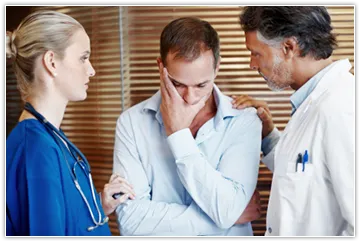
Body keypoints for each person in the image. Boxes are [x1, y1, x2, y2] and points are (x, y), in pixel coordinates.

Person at [112, 17, 262, 236]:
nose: (190, 98)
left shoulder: (245, 120)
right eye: (177, 84)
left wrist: (178, 136)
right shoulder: (131, 123)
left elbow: (227, 210)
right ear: (160, 67)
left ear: (216, 68)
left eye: (201, 85)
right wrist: (222, 221)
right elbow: (131, 222)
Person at [6, 10, 135, 236]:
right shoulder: (36, 149)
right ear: (52, 62)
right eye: (83, 58)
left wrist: (98, 206)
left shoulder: (50, 137)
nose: (91, 70)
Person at [231, 6, 354, 236]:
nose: (252, 64)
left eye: (256, 53)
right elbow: (304, 178)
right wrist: (268, 134)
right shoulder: (312, 103)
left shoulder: (342, 108)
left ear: (288, 47)